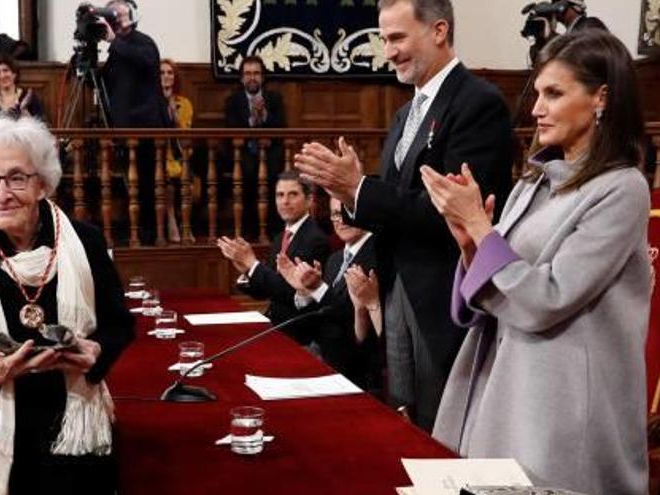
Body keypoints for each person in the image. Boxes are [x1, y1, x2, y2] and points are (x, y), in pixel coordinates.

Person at [424, 30, 648, 494]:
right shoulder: (534, 180)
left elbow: (549, 298)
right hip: (504, 382)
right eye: (537, 93)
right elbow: (500, 284)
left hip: (561, 405)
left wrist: (484, 233)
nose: (536, 109)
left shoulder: (622, 189)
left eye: (554, 93)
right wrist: (470, 243)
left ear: (601, 98)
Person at [293, 0, 514, 432]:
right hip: (396, 291)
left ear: (438, 31)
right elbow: (395, 203)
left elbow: (452, 214)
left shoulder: (476, 103)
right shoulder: (403, 114)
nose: (388, 52)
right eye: (383, 40)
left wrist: (359, 188)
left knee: (443, 431)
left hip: (444, 303)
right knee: (403, 421)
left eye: (397, 38)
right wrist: (351, 192)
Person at [0, 116, 134, 495]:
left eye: (16, 178)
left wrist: (98, 350)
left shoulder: (85, 242)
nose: (0, 194)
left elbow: (120, 324)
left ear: (42, 184)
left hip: (74, 425)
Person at [217, 170, 330, 344]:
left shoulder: (315, 239)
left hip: (299, 336)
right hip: (275, 329)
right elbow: (264, 291)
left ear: (309, 200)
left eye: (293, 194)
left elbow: (293, 294)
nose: (285, 201)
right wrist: (247, 270)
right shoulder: (280, 237)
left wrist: (253, 264)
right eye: (280, 195)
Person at [276, 197, 378, 388]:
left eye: (348, 212)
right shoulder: (335, 259)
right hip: (325, 362)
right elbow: (323, 317)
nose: (341, 220)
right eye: (335, 214)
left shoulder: (377, 255)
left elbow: (354, 318)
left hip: (358, 373)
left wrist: (318, 288)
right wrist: (304, 292)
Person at [98, 0, 169, 244]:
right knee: (129, 184)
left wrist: (113, 42)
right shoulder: (116, 50)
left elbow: (146, 62)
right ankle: (132, 230)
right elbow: (105, 83)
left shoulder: (143, 42)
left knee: (147, 185)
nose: (115, 17)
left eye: (119, 12)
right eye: (112, 13)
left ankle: (149, 234)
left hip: (147, 128)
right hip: (122, 128)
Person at [224, 55, 287, 236]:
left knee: (275, 170)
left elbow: (282, 126)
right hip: (245, 151)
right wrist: (254, 125)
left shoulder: (274, 98)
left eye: (256, 73)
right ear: (242, 78)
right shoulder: (233, 101)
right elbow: (231, 129)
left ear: (263, 77)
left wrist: (264, 114)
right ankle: (249, 231)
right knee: (247, 171)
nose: (252, 77)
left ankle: (275, 230)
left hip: (270, 152)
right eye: (248, 74)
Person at [161, 58, 194, 243]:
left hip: (179, 154)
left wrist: (175, 118)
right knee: (164, 179)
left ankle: (186, 223)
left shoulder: (184, 103)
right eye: (162, 73)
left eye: (170, 73)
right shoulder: (152, 102)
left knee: (186, 181)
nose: (166, 76)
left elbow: (185, 139)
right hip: (159, 155)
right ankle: (171, 219)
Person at [0, 53, 44, 121]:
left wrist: (24, 111)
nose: (3, 76)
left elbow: (42, 126)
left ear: (14, 74)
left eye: (6, 70)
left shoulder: (29, 98)